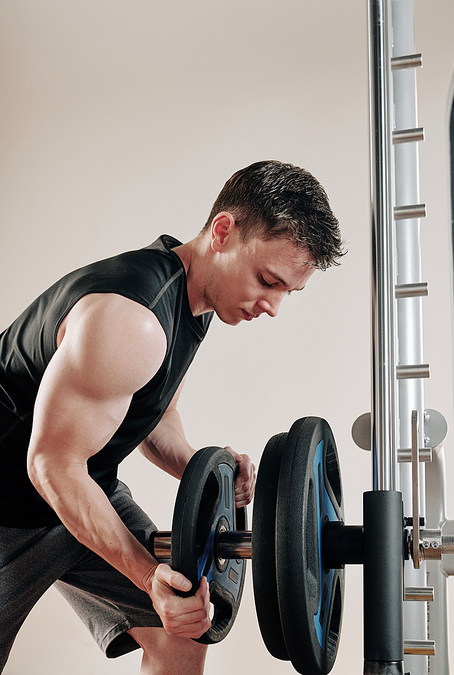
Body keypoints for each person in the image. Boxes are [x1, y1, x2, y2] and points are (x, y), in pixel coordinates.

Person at [0, 160, 344, 674]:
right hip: (16, 502)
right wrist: (145, 577)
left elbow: (153, 416)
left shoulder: (195, 303)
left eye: (286, 293)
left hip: (77, 487)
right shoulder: (131, 320)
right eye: (267, 281)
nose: (272, 306)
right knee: (164, 596)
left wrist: (201, 470)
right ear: (223, 232)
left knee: (181, 624)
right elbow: (52, 465)